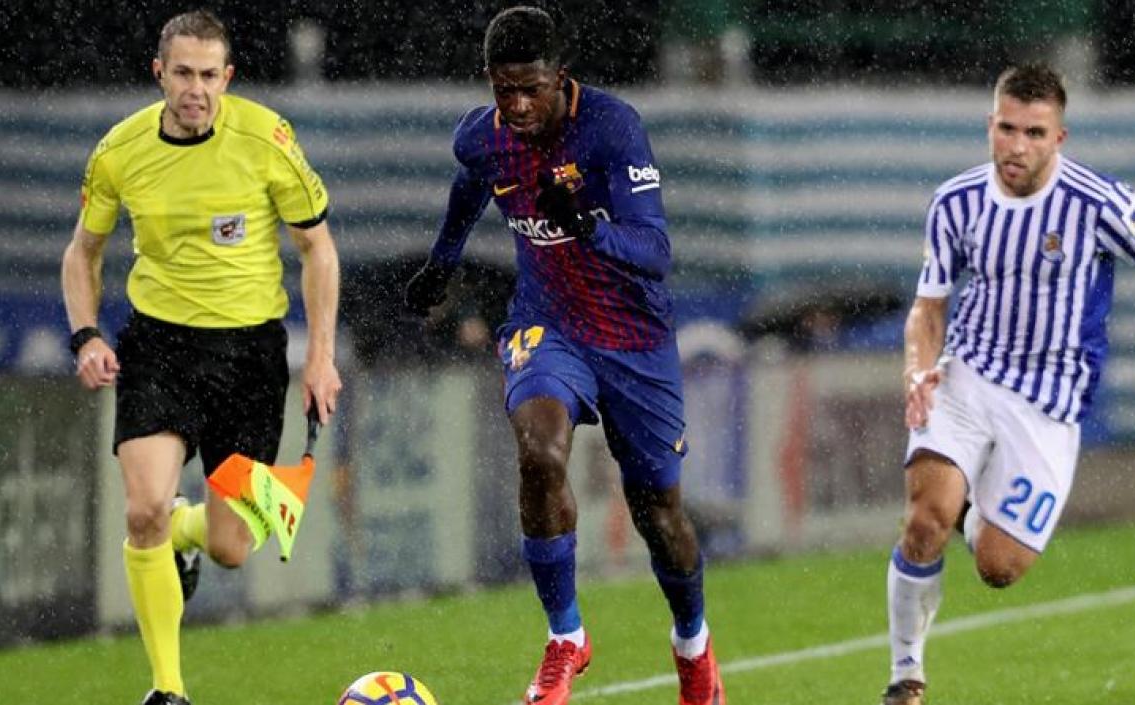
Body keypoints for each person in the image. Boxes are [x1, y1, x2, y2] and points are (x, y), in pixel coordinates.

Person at [880, 64, 1135, 705]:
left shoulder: (1098, 203)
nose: (1016, 146)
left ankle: (973, 510)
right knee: (923, 520)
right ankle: (905, 677)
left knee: (999, 568)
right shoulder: (956, 202)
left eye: (1033, 132)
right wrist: (918, 369)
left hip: (1049, 405)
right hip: (967, 376)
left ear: (1060, 138)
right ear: (989, 126)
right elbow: (928, 307)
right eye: (1005, 129)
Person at [403, 6, 724, 705]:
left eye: (532, 89)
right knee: (540, 451)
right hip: (548, 323)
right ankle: (566, 636)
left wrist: (589, 226)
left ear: (561, 79)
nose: (516, 105)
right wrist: (444, 259)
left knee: (659, 514)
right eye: (503, 88)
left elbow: (657, 253)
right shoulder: (483, 136)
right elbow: (473, 178)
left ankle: (694, 647)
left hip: (633, 339)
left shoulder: (612, 128)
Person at [60, 11, 342, 705]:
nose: (196, 89)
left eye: (209, 75)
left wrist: (321, 358)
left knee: (229, 547)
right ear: (159, 74)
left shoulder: (267, 139)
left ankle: (191, 531)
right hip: (159, 344)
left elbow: (319, 249)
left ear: (228, 77)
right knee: (143, 508)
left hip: (251, 353)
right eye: (182, 73)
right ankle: (168, 688)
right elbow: (82, 253)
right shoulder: (118, 152)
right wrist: (86, 334)